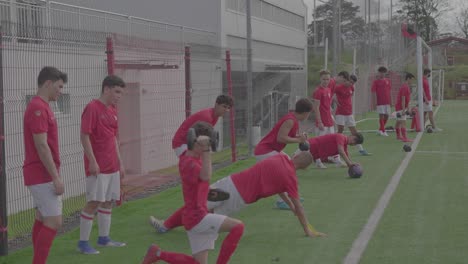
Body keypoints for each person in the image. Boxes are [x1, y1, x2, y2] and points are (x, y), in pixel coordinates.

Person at [148, 151, 326, 238]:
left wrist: (289, 204)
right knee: (209, 218)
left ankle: (167, 225)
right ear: (303, 168)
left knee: (197, 203)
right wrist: (306, 228)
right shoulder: (291, 180)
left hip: (231, 182)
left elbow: (278, 186)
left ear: (296, 155)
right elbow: (298, 206)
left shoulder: (279, 157)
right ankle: (189, 230)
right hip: (240, 198)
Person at [142, 122, 244, 264]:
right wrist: (206, 150)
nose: (209, 146)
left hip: (193, 217)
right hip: (198, 217)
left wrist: (207, 192)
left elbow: (199, 183)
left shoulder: (191, 158)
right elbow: (206, 176)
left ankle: (158, 253)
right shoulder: (189, 163)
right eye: (207, 142)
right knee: (238, 227)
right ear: (198, 143)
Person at [77, 75, 127, 254]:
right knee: (93, 202)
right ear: (106, 89)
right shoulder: (92, 108)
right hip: (98, 167)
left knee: (108, 202)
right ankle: (83, 243)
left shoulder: (113, 110)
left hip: (112, 166)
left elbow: (114, 138)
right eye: (117, 92)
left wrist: (120, 163)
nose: (119, 96)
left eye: (121, 93)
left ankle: (104, 239)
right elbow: (84, 136)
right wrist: (92, 161)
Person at [23, 66, 67, 264]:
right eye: (59, 87)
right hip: (42, 175)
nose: (60, 91)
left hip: (40, 174)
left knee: (42, 218)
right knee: (54, 221)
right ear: (48, 83)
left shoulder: (42, 106)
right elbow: (41, 146)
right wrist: (56, 177)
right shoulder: (38, 107)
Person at [334, 74, 371, 156]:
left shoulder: (351, 88)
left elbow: (350, 95)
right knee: (340, 131)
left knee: (354, 132)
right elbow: (331, 93)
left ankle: (361, 150)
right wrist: (336, 101)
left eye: (353, 83)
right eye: (350, 82)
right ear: (346, 80)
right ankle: (337, 151)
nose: (351, 84)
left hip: (349, 113)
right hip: (340, 113)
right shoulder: (339, 87)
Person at [371, 66, 392, 136]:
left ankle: (380, 129)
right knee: (381, 116)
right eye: (381, 72)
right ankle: (383, 131)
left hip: (387, 101)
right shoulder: (376, 82)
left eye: (384, 72)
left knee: (387, 116)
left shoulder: (388, 81)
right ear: (379, 73)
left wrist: (391, 101)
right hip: (380, 102)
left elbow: (389, 91)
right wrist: (374, 102)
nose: (382, 74)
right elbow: (373, 92)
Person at [395, 73, 414, 142]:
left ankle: (398, 136)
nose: (412, 81)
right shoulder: (405, 87)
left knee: (398, 122)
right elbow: (403, 98)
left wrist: (408, 108)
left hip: (399, 107)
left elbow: (407, 99)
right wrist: (403, 110)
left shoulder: (406, 86)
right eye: (411, 80)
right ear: (408, 79)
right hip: (400, 107)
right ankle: (405, 138)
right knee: (403, 122)